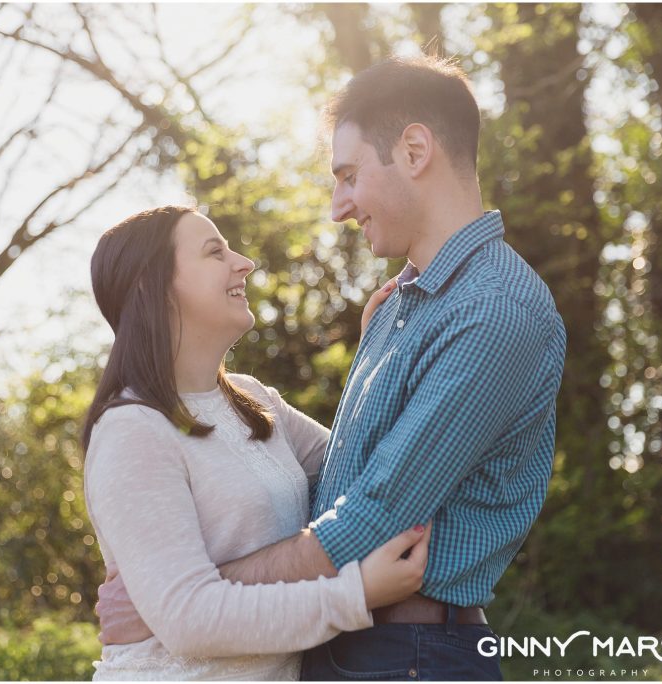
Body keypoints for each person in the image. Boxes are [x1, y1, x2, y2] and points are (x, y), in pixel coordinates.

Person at [97, 56, 567, 681]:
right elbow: (337, 478)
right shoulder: (404, 307)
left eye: (348, 176)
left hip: (412, 656)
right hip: (353, 646)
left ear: (415, 149)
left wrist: (179, 598)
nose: (338, 207)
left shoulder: (494, 312)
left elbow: (373, 515)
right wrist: (176, 593)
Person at [82, 205, 432, 680]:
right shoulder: (132, 431)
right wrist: (356, 594)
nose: (243, 262)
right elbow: (191, 621)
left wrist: (375, 355)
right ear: (152, 284)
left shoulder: (253, 399)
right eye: (214, 252)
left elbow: (360, 468)